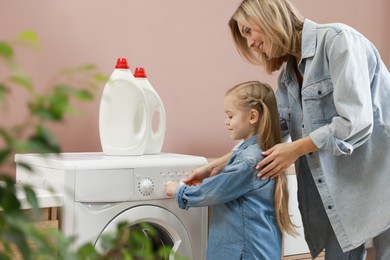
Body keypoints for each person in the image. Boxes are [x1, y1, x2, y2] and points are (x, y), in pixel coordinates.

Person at [185, 0, 390, 259]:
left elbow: (355, 122)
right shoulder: (288, 76)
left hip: (382, 180)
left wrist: (295, 149)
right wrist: (217, 165)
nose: (249, 44)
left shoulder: (338, 41)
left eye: (248, 31)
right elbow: (273, 130)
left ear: (268, 15)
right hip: (348, 191)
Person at [166, 81, 296, 259]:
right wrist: (212, 169)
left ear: (252, 116)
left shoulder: (248, 161)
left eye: (230, 116)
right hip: (259, 248)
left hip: (243, 252)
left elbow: (213, 192)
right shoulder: (259, 151)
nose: (226, 122)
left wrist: (178, 191)